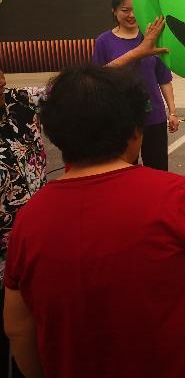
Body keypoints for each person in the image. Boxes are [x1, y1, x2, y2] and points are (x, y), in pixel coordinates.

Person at [2, 65, 185, 377]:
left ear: (57, 135)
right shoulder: (173, 195)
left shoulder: (29, 218)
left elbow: (18, 327)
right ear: (135, 131)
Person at [93, 0, 179, 171]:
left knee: (157, 170)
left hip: (153, 116)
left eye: (135, 10)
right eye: (125, 10)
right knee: (124, 170)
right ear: (114, 11)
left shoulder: (151, 38)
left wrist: (172, 112)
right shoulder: (104, 41)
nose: (131, 15)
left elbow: (164, 78)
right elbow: (98, 76)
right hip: (122, 117)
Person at [0, 68, 46, 378]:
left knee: (33, 333)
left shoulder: (19, 103)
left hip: (36, 245)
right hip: (4, 258)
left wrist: (137, 52)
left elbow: (78, 86)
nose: (2, 77)